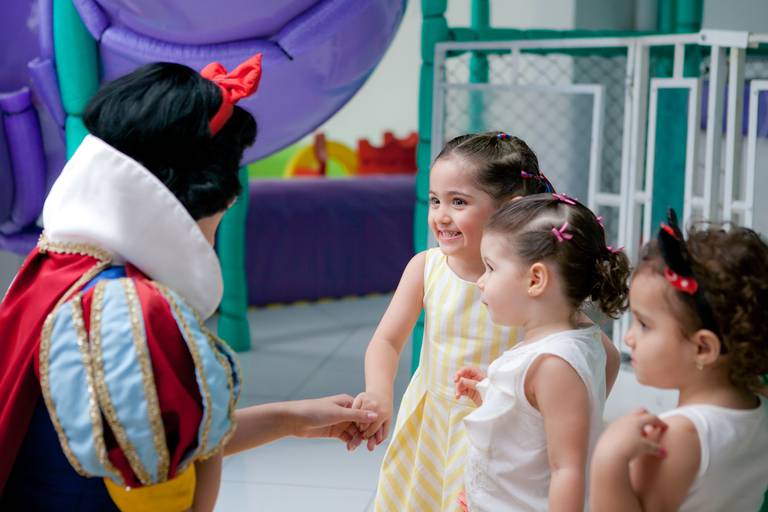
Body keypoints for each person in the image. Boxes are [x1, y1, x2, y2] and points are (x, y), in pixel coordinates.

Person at [0, 55, 376, 511]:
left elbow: (155, 433)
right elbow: (171, 492)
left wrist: (289, 418)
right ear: (205, 191)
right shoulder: (133, 313)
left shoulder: (58, 269)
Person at [349, 132, 620, 511]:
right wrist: (379, 393)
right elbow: (387, 341)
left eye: (458, 202)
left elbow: (601, 354)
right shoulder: (426, 268)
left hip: (494, 433)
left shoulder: (529, 288)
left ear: (509, 209)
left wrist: (561, 417)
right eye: (435, 200)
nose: (441, 215)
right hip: (429, 424)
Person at [453, 193, 630, 511]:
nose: (481, 281)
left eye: (491, 268)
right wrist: (493, 395)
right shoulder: (581, 336)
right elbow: (609, 362)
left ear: (535, 279)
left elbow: (567, 471)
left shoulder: (553, 365)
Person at [590, 211, 768, 512]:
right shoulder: (759, 409)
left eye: (644, 324)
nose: (630, 338)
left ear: (703, 348)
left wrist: (609, 458)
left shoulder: (678, 437)